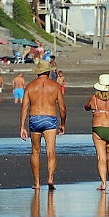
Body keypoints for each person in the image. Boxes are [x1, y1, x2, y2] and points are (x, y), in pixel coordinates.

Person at [19, 61, 67, 190]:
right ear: (48, 71)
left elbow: (24, 107)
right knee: (51, 151)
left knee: (35, 151)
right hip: (50, 118)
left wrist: (22, 126)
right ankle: (50, 178)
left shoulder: (30, 86)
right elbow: (62, 108)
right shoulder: (55, 86)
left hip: (35, 118)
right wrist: (62, 123)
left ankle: (37, 183)